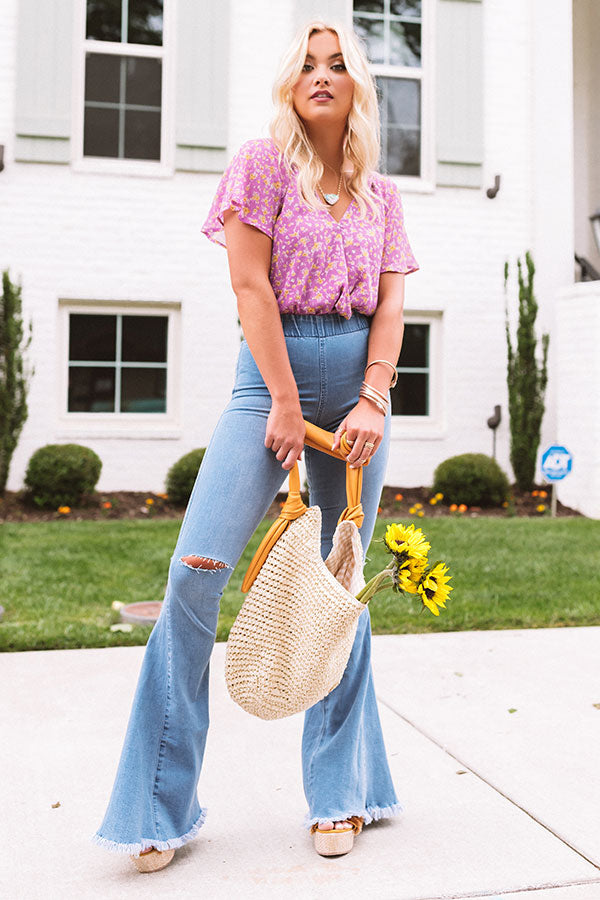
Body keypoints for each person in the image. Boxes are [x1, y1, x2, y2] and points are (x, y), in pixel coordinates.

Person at [90, 16, 419, 872]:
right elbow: (249, 285)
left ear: (356, 89)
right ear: (289, 80)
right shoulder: (261, 164)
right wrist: (279, 396)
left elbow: (390, 307)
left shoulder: (381, 195)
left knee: (337, 590)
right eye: (307, 64)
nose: (321, 75)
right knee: (193, 573)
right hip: (262, 383)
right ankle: (157, 806)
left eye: (338, 65)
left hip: (357, 394)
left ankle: (343, 795)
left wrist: (376, 399)